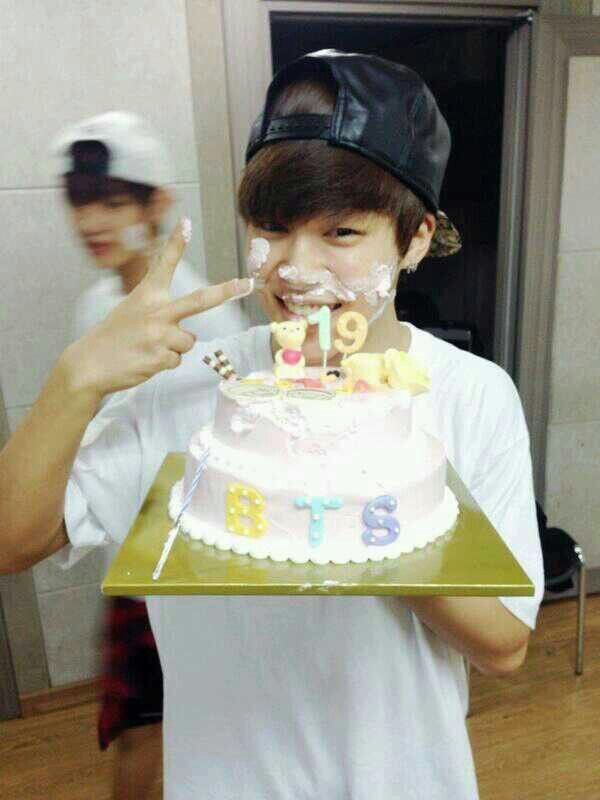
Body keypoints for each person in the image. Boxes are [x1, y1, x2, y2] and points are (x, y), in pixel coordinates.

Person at [1, 51, 544, 799]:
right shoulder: (192, 381)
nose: (296, 267)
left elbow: (507, 646)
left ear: (417, 238)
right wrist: (76, 378)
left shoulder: (474, 395)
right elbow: (10, 540)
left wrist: (366, 508)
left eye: (343, 234)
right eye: (273, 226)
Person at [55, 112, 248, 799]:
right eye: (81, 201)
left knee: (196, 737)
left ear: (156, 206)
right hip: (130, 570)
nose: (91, 222)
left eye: (112, 201)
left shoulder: (206, 322)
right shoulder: (97, 305)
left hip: (191, 577)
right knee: (139, 732)